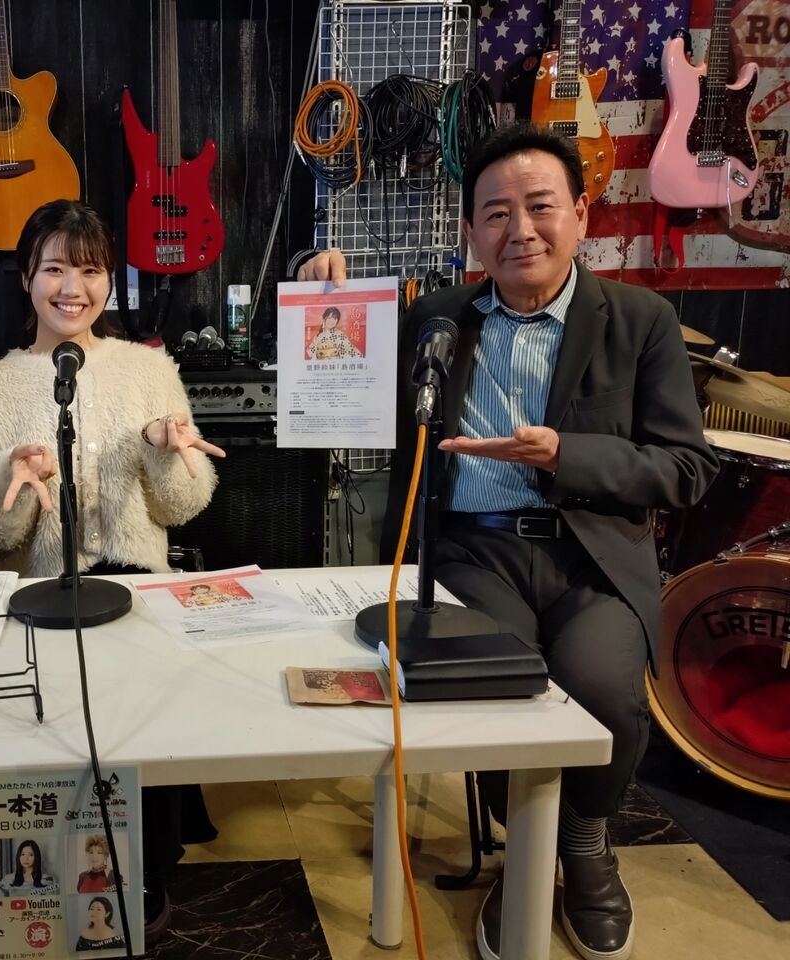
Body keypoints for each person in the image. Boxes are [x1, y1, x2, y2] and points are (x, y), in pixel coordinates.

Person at [298, 124, 718, 960]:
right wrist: (317, 285)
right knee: (492, 687)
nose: (519, 230)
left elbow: (687, 468)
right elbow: (325, 375)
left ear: (581, 215)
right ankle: (522, 856)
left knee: (603, 689)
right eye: (495, 214)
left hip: (593, 556)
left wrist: (567, 455)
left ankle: (585, 845)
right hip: (473, 551)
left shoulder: (641, 320)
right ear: (470, 232)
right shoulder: (435, 318)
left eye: (540, 207)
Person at [0, 199, 224, 940]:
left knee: (139, 742)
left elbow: (186, 504)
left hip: (134, 586)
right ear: (26, 277)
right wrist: (8, 481)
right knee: (53, 752)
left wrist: (165, 450)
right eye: (55, 269)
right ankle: (45, 883)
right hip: (34, 596)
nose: (74, 288)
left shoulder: (150, 369)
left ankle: (145, 872)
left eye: (92, 270)